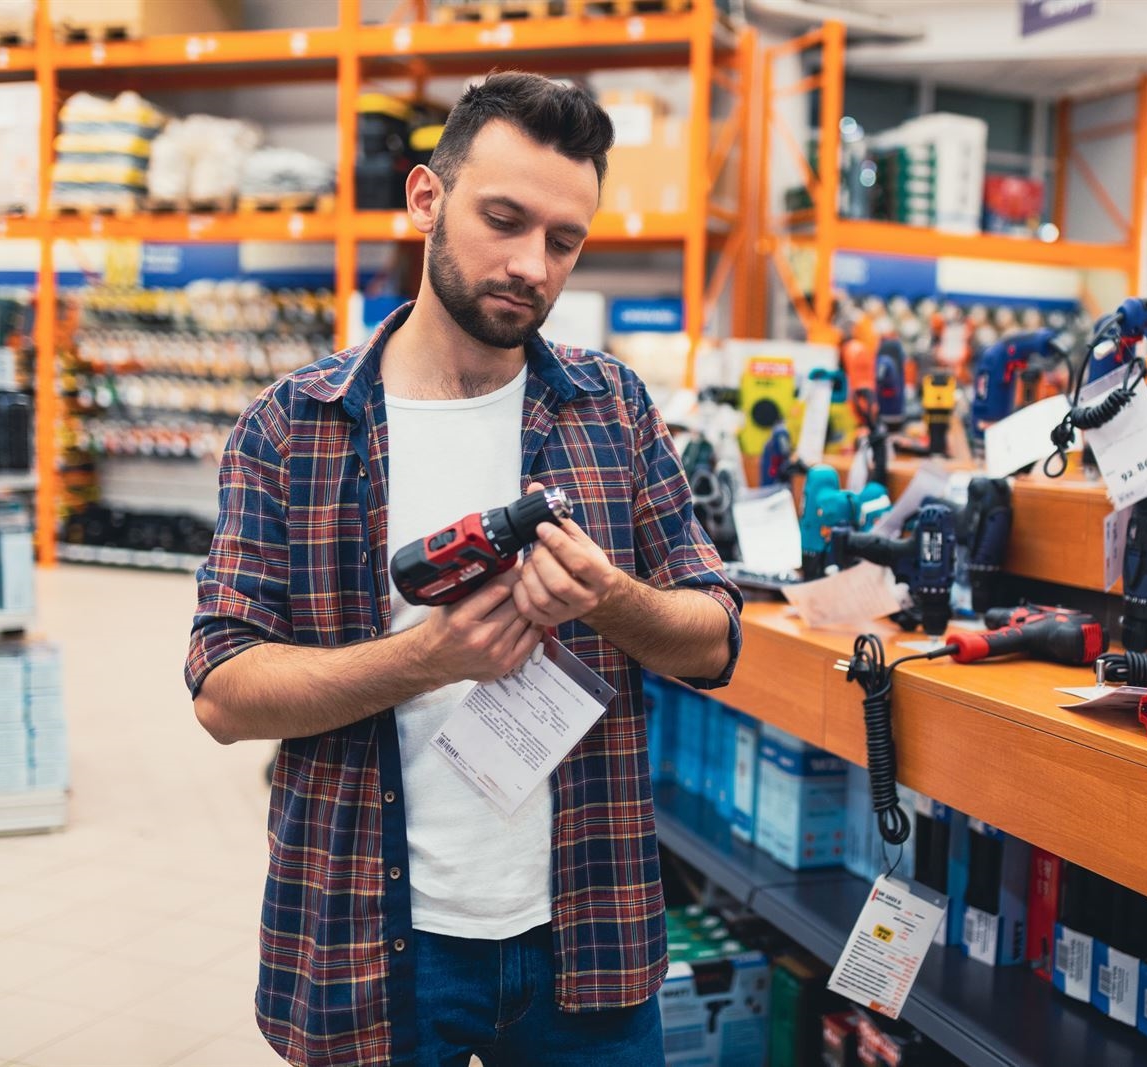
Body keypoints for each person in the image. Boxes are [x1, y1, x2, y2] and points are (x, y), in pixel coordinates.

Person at [185, 71, 742, 1067]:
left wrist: (610, 598)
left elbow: (714, 638)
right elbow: (225, 692)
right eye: (503, 219)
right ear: (426, 199)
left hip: (585, 935)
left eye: (563, 240)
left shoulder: (609, 408)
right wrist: (428, 656)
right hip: (371, 941)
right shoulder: (294, 425)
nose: (531, 263)